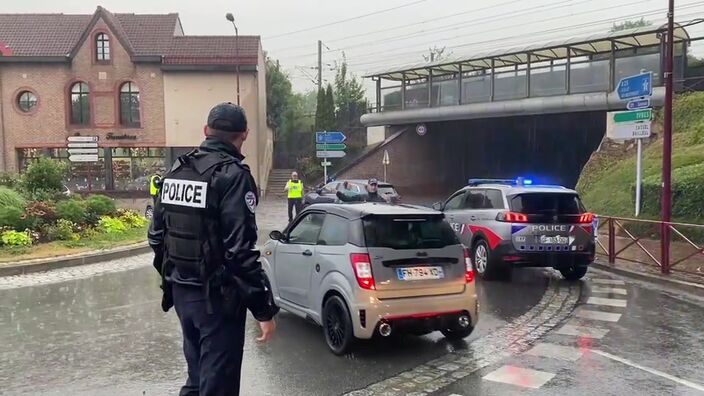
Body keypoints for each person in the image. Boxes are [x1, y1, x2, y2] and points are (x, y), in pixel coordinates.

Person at [148, 102, 278, 396]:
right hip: (217, 301)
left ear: (206, 131)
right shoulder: (234, 176)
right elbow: (240, 253)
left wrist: (178, 276)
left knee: (197, 380)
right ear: (243, 134)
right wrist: (263, 310)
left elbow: (156, 236)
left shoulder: (177, 170)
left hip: (183, 294)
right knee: (217, 386)